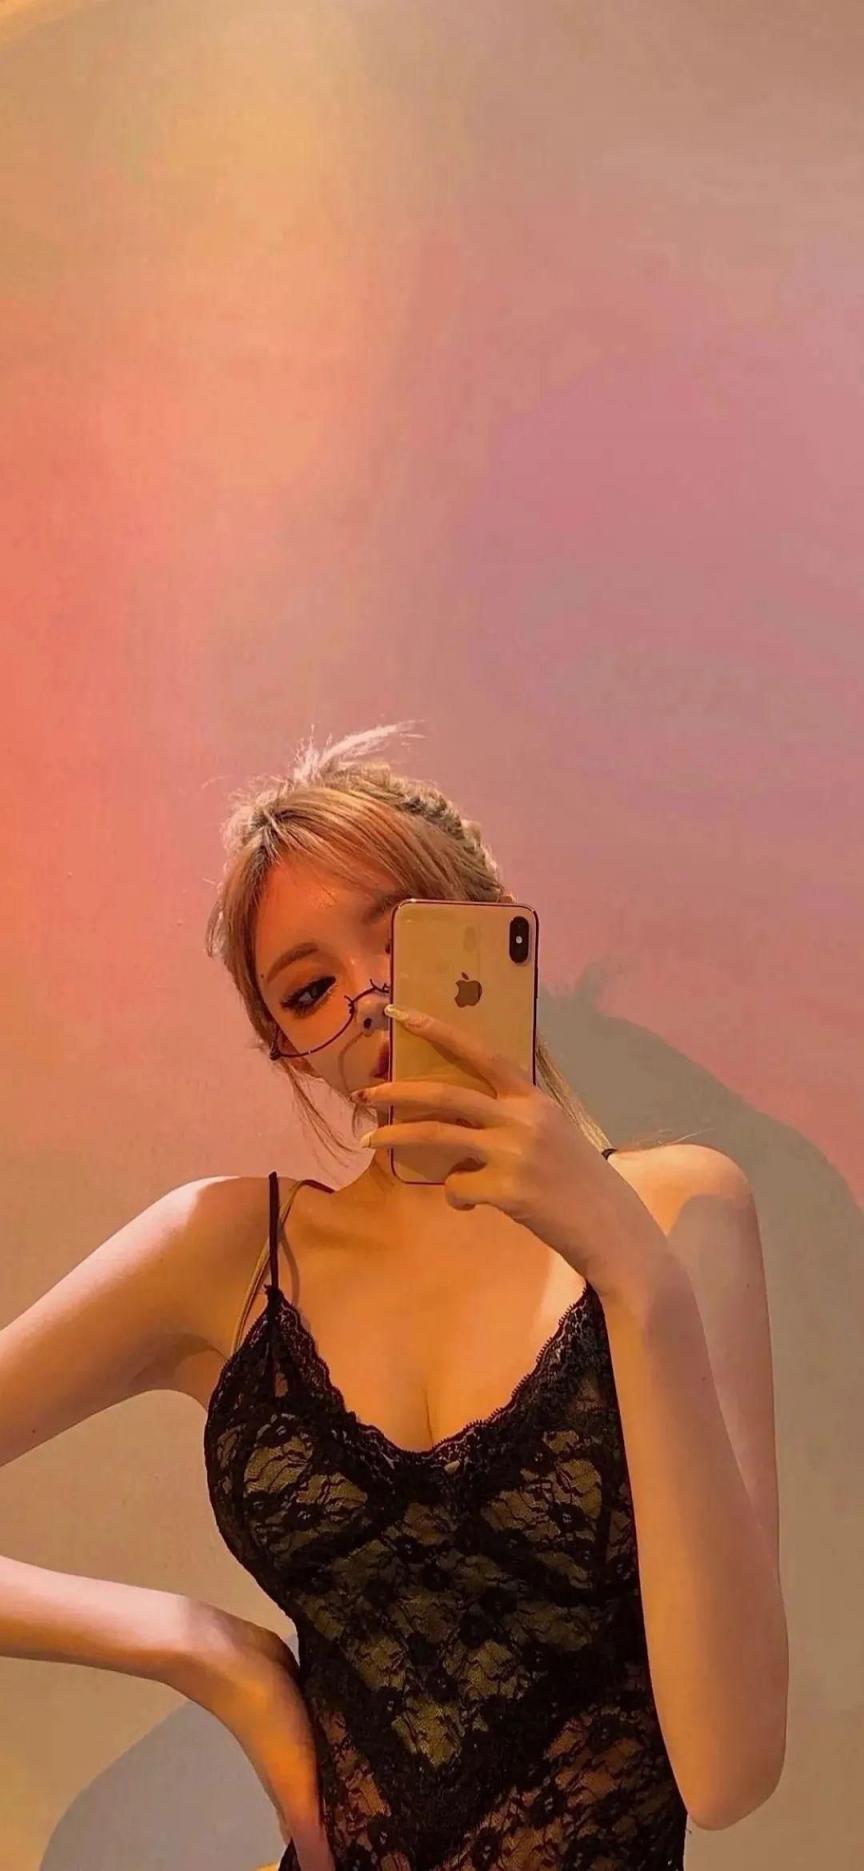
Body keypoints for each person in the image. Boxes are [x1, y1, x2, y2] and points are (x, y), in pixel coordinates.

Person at [0, 721, 785, 1869]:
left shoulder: (679, 1212)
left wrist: (629, 1264)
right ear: (284, 1043)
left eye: (407, 935)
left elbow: (729, 1771)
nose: (371, 998)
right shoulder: (227, 1251)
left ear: (498, 924)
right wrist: (194, 1645)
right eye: (310, 987)